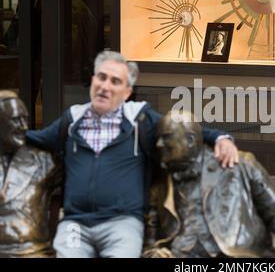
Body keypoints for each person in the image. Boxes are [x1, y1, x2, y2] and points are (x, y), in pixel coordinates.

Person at [26, 51, 239, 258]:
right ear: (92, 80)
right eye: (101, 77)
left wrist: (221, 138)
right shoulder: (72, 120)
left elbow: (181, 130)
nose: (105, 86)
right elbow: (34, 138)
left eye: (115, 81)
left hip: (122, 223)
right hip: (76, 224)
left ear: (127, 92)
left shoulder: (140, 119)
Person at [143, 111, 275, 258]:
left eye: (166, 137)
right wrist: (154, 252)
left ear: (191, 140)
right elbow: (150, 239)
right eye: (158, 138)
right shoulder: (160, 182)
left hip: (234, 255)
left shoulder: (239, 164)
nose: (159, 144)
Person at [0, 91, 62, 258]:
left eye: (25, 119)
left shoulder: (45, 161)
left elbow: (89, 177)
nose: (24, 126)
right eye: (15, 120)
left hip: (31, 252)